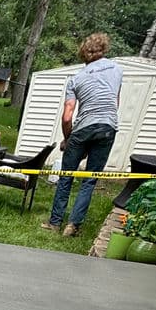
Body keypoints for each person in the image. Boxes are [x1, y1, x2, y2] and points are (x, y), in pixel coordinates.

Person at [42, 33, 123, 237]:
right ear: (104, 49)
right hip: (107, 127)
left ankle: (55, 223)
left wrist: (68, 139)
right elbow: (115, 103)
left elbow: (68, 116)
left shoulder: (76, 79)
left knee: (66, 176)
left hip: (83, 127)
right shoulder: (117, 70)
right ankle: (73, 225)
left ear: (83, 54)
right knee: (89, 179)